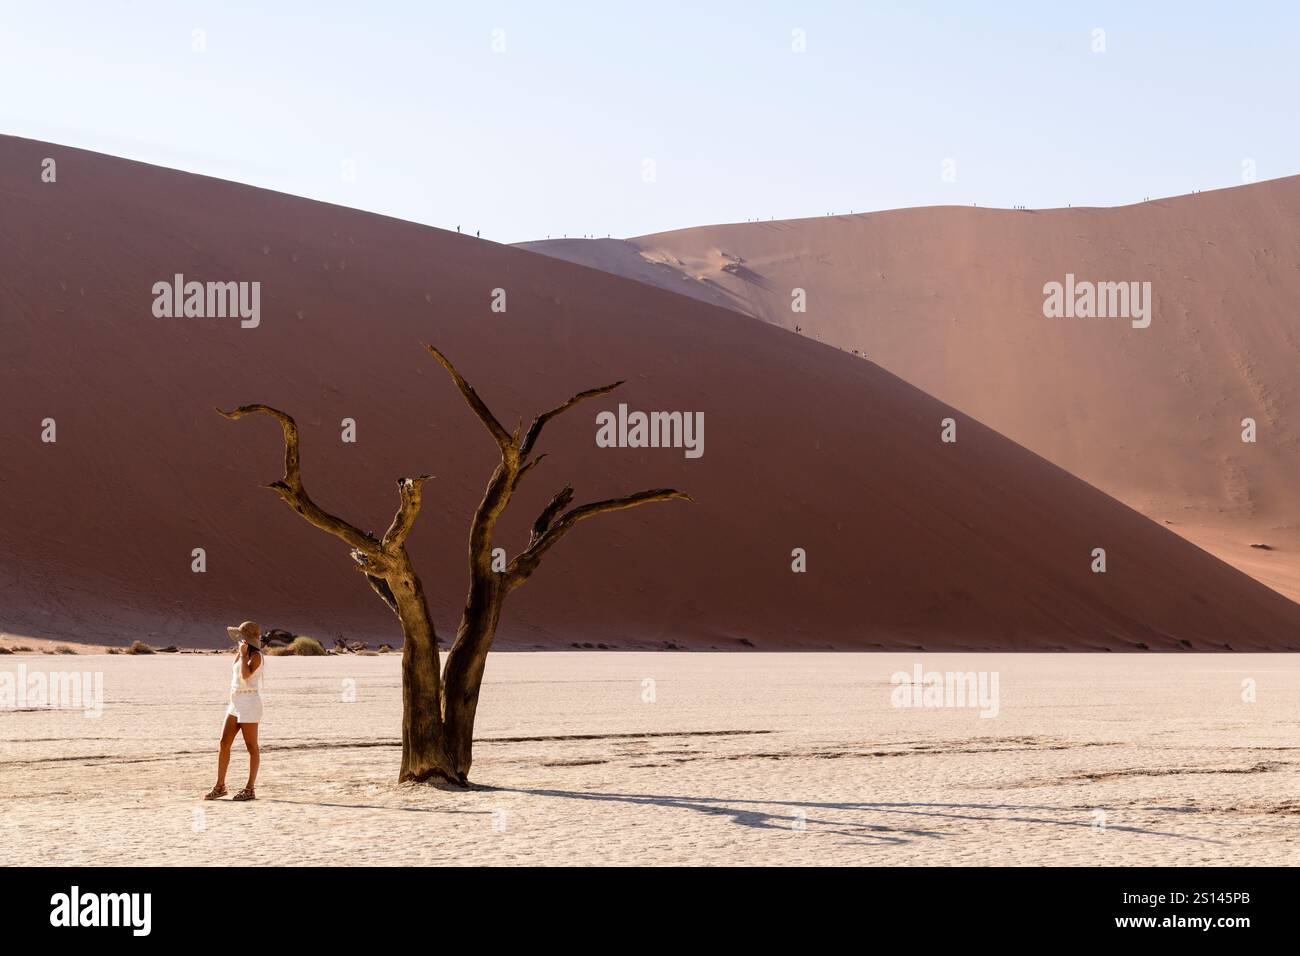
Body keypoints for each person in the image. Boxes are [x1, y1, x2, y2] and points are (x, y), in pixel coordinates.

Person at [204, 621, 264, 801]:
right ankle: (220, 786)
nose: (238, 638)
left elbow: (246, 676)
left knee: (251, 747)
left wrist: (244, 655)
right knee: (224, 743)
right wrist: (241, 654)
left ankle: (250, 789)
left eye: (241, 635)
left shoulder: (256, 656)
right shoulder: (240, 653)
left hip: (250, 702)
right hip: (235, 701)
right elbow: (235, 676)